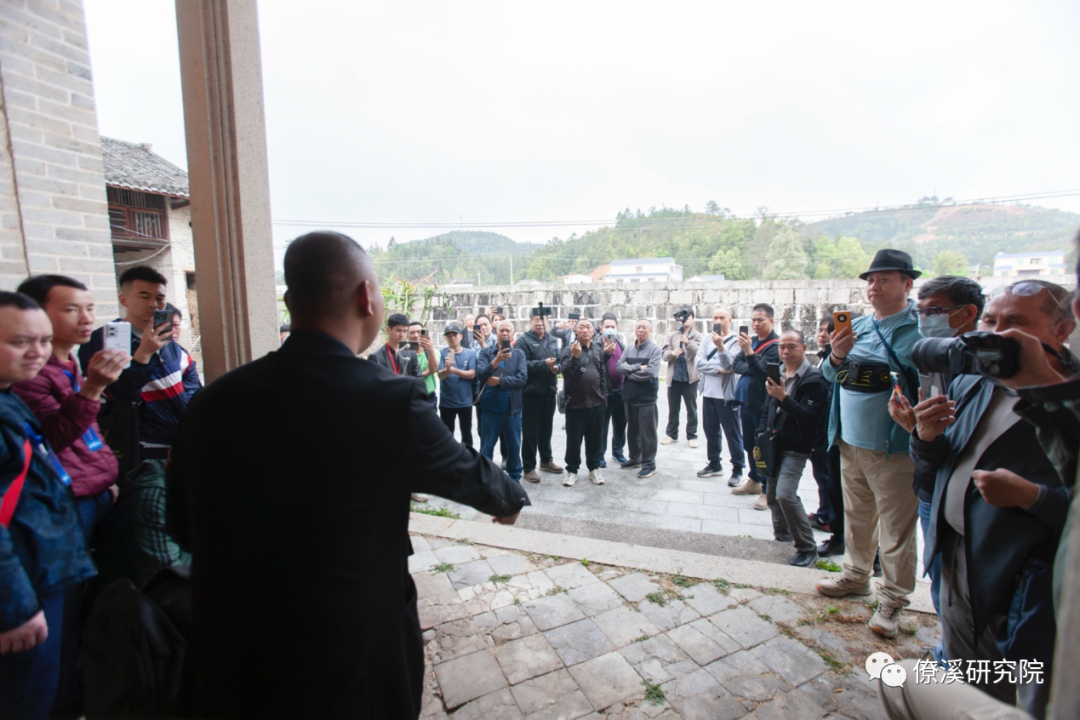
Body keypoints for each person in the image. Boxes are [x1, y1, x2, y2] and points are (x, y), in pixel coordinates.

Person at [165, 231, 529, 719]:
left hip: (231, 658)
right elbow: (464, 470)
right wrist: (509, 499)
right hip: (347, 659)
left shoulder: (212, 401)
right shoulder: (389, 399)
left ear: (291, 303)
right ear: (366, 298)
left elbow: (181, 528)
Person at [906, 279, 1074, 718]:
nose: (996, 334)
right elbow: (936, 463)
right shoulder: (974, 380)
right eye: (991, 321)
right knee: (964, 665)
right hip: (953, 553)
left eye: (1015, 321)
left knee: (1005, 686)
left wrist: (1032, 497)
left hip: (1018, 578)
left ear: (1062, 328)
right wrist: (924, 435)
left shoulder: (1068, 403)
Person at [13, 275, 129, 716]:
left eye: (90, 308)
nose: (86, 318)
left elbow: (86, 435)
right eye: (71, 309)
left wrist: (103, 474)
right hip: (65, 506)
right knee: (58, 615)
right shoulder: (29, 378)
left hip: (94, 494)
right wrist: (93, 389)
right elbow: (51, 441)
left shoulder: (73, 363)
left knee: (89, 606)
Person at [816, 249, 922, 640]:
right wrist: (836, 354)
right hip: (849, 440)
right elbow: (829, 374)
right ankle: (856, 575)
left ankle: (892, 599)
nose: (874, 286)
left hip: (895, 448)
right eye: (871, 280)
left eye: (884, 279)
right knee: (858, 515)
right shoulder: (856, 327)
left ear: (907, 284)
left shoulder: (919, 332)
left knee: (896, 528)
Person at [0, 291, 96, 719]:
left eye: (43, 341)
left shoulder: (9, 396)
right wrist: (14, 607)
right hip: (22, 585)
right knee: (27, 693)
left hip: (42, 568)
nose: (37, 352)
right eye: (20, 342)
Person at [887, 274, 984, 619]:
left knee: (969, 587)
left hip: (974, 498)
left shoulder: (988, 373)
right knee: (943, 579)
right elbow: (932, 451)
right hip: (933, 487)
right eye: (922, 312)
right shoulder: (933, 364)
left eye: (935, 311)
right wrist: (917, 428)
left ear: (968, 313)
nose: (926, 319)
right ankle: (949, 642)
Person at [79, 266, 201, 460]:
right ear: (123, 300)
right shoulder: (102, 341)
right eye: (144, 297)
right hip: (141, 447)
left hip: (182, 440)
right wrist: (144, 354)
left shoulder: (168, 341)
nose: (153, 304)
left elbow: (192, 382)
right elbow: (119, 393)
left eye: (160, 298)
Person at [759, 330, 829, 566]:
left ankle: (807, 548)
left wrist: (783, 397)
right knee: (772, 496)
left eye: (792, 347)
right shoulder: (778, 372)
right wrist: (761, 434)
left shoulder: (813, 379)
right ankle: (782, 538)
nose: (786, 352)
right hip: (773, 443)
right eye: (782, 347)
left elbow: (809, 417)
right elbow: (768, 407)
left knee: (785, 495)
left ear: (804, 347)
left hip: (796, 446)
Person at [731, 304, 781, 510]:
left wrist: (750, 354)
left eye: (760, 320)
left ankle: (768, 490)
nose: (756, 324)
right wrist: (751, 361)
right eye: (753, 320)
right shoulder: (751, 341)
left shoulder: (775, 346)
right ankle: (754, 479)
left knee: (764, 446)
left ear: (771, 321)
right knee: (750, 444)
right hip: (747, 401)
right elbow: (736, 365)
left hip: (763, 404)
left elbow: (764, 373)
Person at [695, 306, 744, 483]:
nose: (718, 321)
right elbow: (698, 363)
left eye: (722, 318)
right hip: (709, 393)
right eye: (715, 317)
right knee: (711, 431)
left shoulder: (737, 342)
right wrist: (718, 370)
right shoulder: (706, 339)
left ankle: (738, 468)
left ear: (729, 320)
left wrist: (721, 347)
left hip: (727, 396)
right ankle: (714, 463)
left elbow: (731, 366)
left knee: (732, 433)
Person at [475, 320, 527, 483]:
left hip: (512, 409)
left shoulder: (518, 354)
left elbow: (522, 378)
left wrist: (500, 381)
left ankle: (514, 478)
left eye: (508, 331)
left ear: (513, 334)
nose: (504, 333)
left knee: (514, 445)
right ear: (496, 333)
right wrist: (496, 361)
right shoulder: (486, 352)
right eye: (501, 330)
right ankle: (486, 479)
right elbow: (481, 375)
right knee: (487, 446)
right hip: (490, 409)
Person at [559, 319, 609, 486]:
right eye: (581, 327)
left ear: (594, 331)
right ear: (575, 330)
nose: (585, 330)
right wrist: (574, 357)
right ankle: (572, 471)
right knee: (573, 440)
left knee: (595, 439)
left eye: (588, 327)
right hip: (575, 404)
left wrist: (604, 396)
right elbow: (566, 374)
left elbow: (602, 374)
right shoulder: (569, 350)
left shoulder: (598, 350)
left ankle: (594, 469)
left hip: (597, 403)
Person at [517, 309, 563, 483]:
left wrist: (557, 368)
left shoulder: (551, 340)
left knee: (546, 429)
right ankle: (528, 467)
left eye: (543, 320)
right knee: (530, 432)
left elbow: (560, 361)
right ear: (530, 322)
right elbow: (521, 364)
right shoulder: (523, 341)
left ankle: (546, 460)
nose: (540, 323)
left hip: (549, 391)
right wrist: (543, 364)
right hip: (531, 393)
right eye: (536, 319)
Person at [813, 317, 846, 559]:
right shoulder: (827, 359)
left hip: (842, 432)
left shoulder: (849, 361)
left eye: (830, 331)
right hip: (826, 429)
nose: (825, 335)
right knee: (829, 482)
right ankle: (835, 530)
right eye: (822, 330)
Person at [618, 319, 662, 479]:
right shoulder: (628, 348)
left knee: (647, 432)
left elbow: (651, 372)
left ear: (650, 330)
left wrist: (629, 373)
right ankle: (634, 458)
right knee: (632, 429)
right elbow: (619, 367)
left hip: (646, 397)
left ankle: (649, 464)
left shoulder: (655, 350)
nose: (641, 330)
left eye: (644, 327)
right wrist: (637, 368)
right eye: (638, 327)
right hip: (630, 395)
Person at [661, 309, 702, 447]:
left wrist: (687, 342)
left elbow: (699, 353)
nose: (685, 319)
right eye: (683, 317)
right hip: (674, 378)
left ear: (693, 319)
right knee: (673, 409)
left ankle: (692, 436)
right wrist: (672, 353)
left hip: (690, 379)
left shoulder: (697, 336)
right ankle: (672, 434)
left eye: (688, 316)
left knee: (691, 409)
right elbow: (664, 354)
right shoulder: (672, 335)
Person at [437, 324, 476, 448]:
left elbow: (471, 374)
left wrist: (453, 370)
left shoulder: (470, 353)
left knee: (466, 434)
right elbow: (440, 376)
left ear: (461, 336)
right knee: (447, 435)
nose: (452, 338)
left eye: (455, 335)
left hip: (465, 401)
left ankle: (468, 456)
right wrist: (447, 370)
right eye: (449, 336)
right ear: (445, 338)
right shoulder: (441, 353)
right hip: (446, 402)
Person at [599, 313, 627, 467]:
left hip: (620, 391)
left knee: (621, 424)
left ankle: (618, 452)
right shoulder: (596, 345)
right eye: (607, 327)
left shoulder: (620, 345)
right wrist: (605, 353)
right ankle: (600, 455)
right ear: (601, 328)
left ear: (617, 328)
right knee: (602, 425)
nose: (610, 329)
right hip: (605, 393)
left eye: (612, 327)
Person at [369, 314, 421, 378]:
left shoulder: (411, 353)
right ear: (388, 330)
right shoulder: (376, 356)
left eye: (405, 331)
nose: (402, 335)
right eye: (398, 331)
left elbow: (418, 377)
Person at [407, 320, 439, 407]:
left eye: (419, 332)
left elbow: (433, 369)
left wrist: (430, 350)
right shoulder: (403, 353)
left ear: (425, 334)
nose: (416, 335)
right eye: (412, 333)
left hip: (428, 397)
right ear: (407, 336)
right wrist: (424, 373)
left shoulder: (434, 352)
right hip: (409, 397)